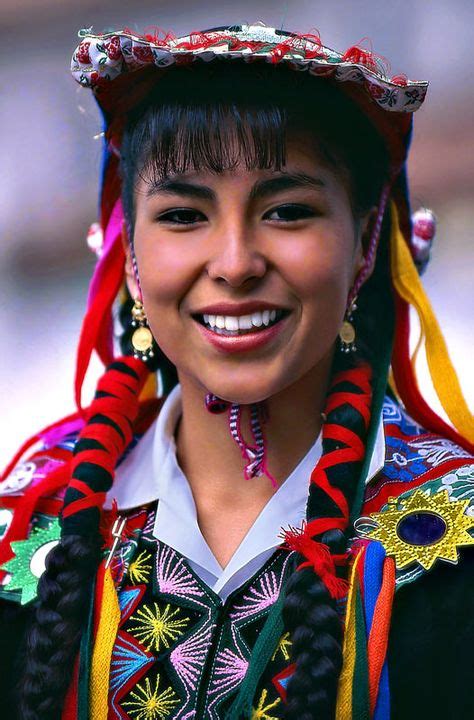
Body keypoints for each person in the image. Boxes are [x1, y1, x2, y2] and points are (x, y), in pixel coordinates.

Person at [0, 22, 473, 720]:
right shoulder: (31, 520)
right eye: (185, 215)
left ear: (368, 239)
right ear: (129, 250)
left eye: (287, 211)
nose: (234, 262)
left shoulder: (456, 533)